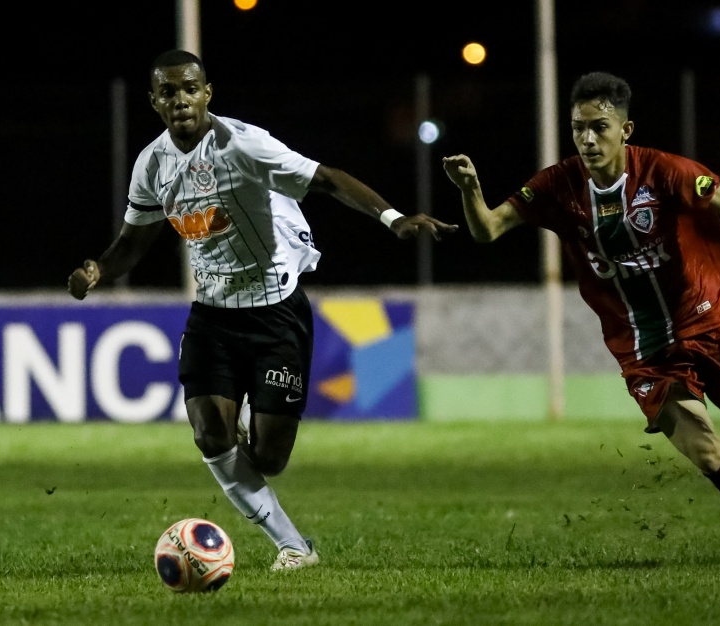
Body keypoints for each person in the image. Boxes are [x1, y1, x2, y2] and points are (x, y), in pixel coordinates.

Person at [68, 49, 458, 571]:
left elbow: (327, 178)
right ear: (154, 101)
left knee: (269, 458)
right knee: (210, 433)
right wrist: (97, 269)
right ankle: (294, 547)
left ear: (208, 92)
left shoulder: (243, 145)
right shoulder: (152, 164)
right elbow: (133, 242)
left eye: (190, 88)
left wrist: (392, 218)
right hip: (211, 316)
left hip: (276, 312)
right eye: (169, 92)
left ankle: (260, 434)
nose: (181, 99)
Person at [442, 71, 720, 568]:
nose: (588, 139)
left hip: (708, 323)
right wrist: (470, 189)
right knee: (703, 449)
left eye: (600, 127)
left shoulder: (665, 172)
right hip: (643, 348)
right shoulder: (556, 185)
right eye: (578, 129)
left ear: (625, 129)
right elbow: (488, 230)